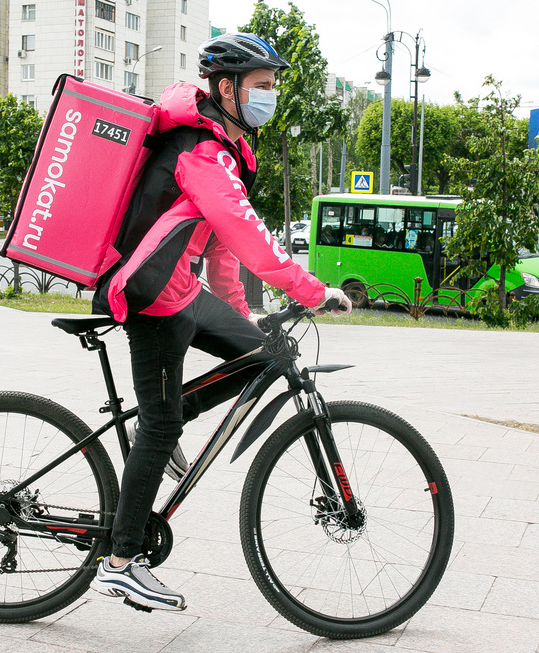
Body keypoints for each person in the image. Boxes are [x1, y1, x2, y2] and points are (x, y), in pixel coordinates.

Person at [89, 33, 352, 612]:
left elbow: (221, 251)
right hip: (152, 296)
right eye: (262, 87)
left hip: (183, 292)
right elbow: (247, 236)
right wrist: (312, 289)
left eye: (273, 87)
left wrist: (241, 317)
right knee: (161, 428)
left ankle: (155, 433)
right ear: (227, 89)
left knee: (263, 354)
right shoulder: (199, 149)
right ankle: (120, 561)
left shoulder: (224, 147)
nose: (270, 97)